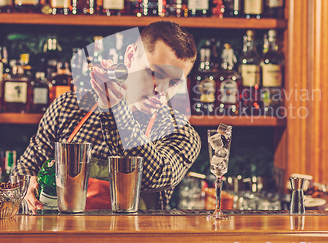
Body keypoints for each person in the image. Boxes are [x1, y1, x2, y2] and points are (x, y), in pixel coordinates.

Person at [13, 21, 201, 210]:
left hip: (134, 239)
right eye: (154, 73)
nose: (161, 90)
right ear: (130, 57)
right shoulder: (68, 106)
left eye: (174, 82)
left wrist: (117, 110)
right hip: (63, 237)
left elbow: (155, 176)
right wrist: (24, 185)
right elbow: (26, 166)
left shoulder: (179, 131)